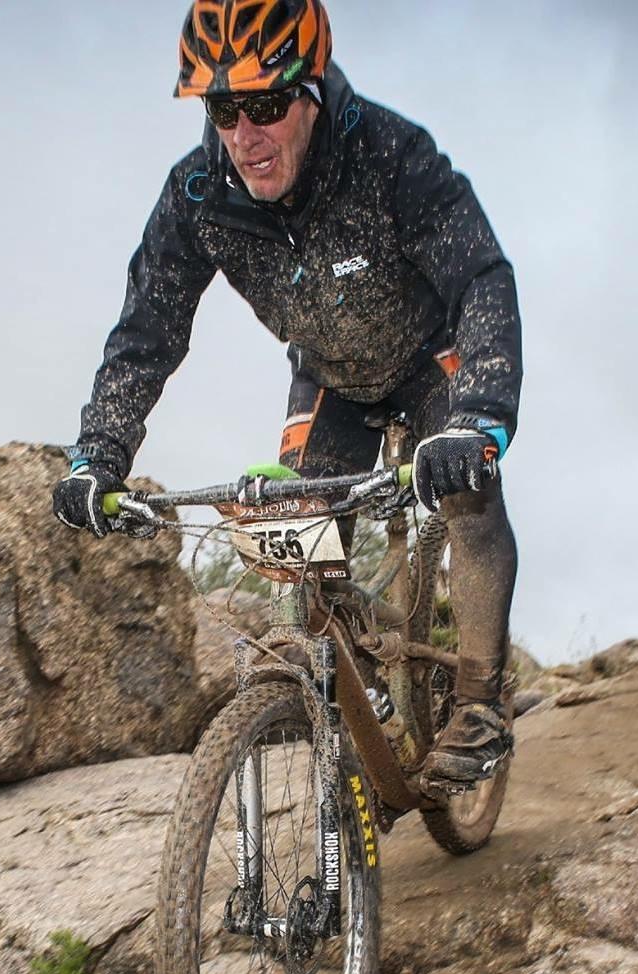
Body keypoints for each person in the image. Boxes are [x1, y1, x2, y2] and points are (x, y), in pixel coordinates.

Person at [53, 0, 522, 787]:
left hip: (432, 361)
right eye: (221, 107)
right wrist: (97, 456)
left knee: (470, 499)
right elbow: (146, 331)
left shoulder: (390, 155)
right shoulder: (198, 194)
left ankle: (478, 703)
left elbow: (481, 278)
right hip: (331, 378)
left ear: (309, 91)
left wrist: (478, 415)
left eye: (264, 104)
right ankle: (364, 682)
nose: (243, 134)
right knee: (298, 546)